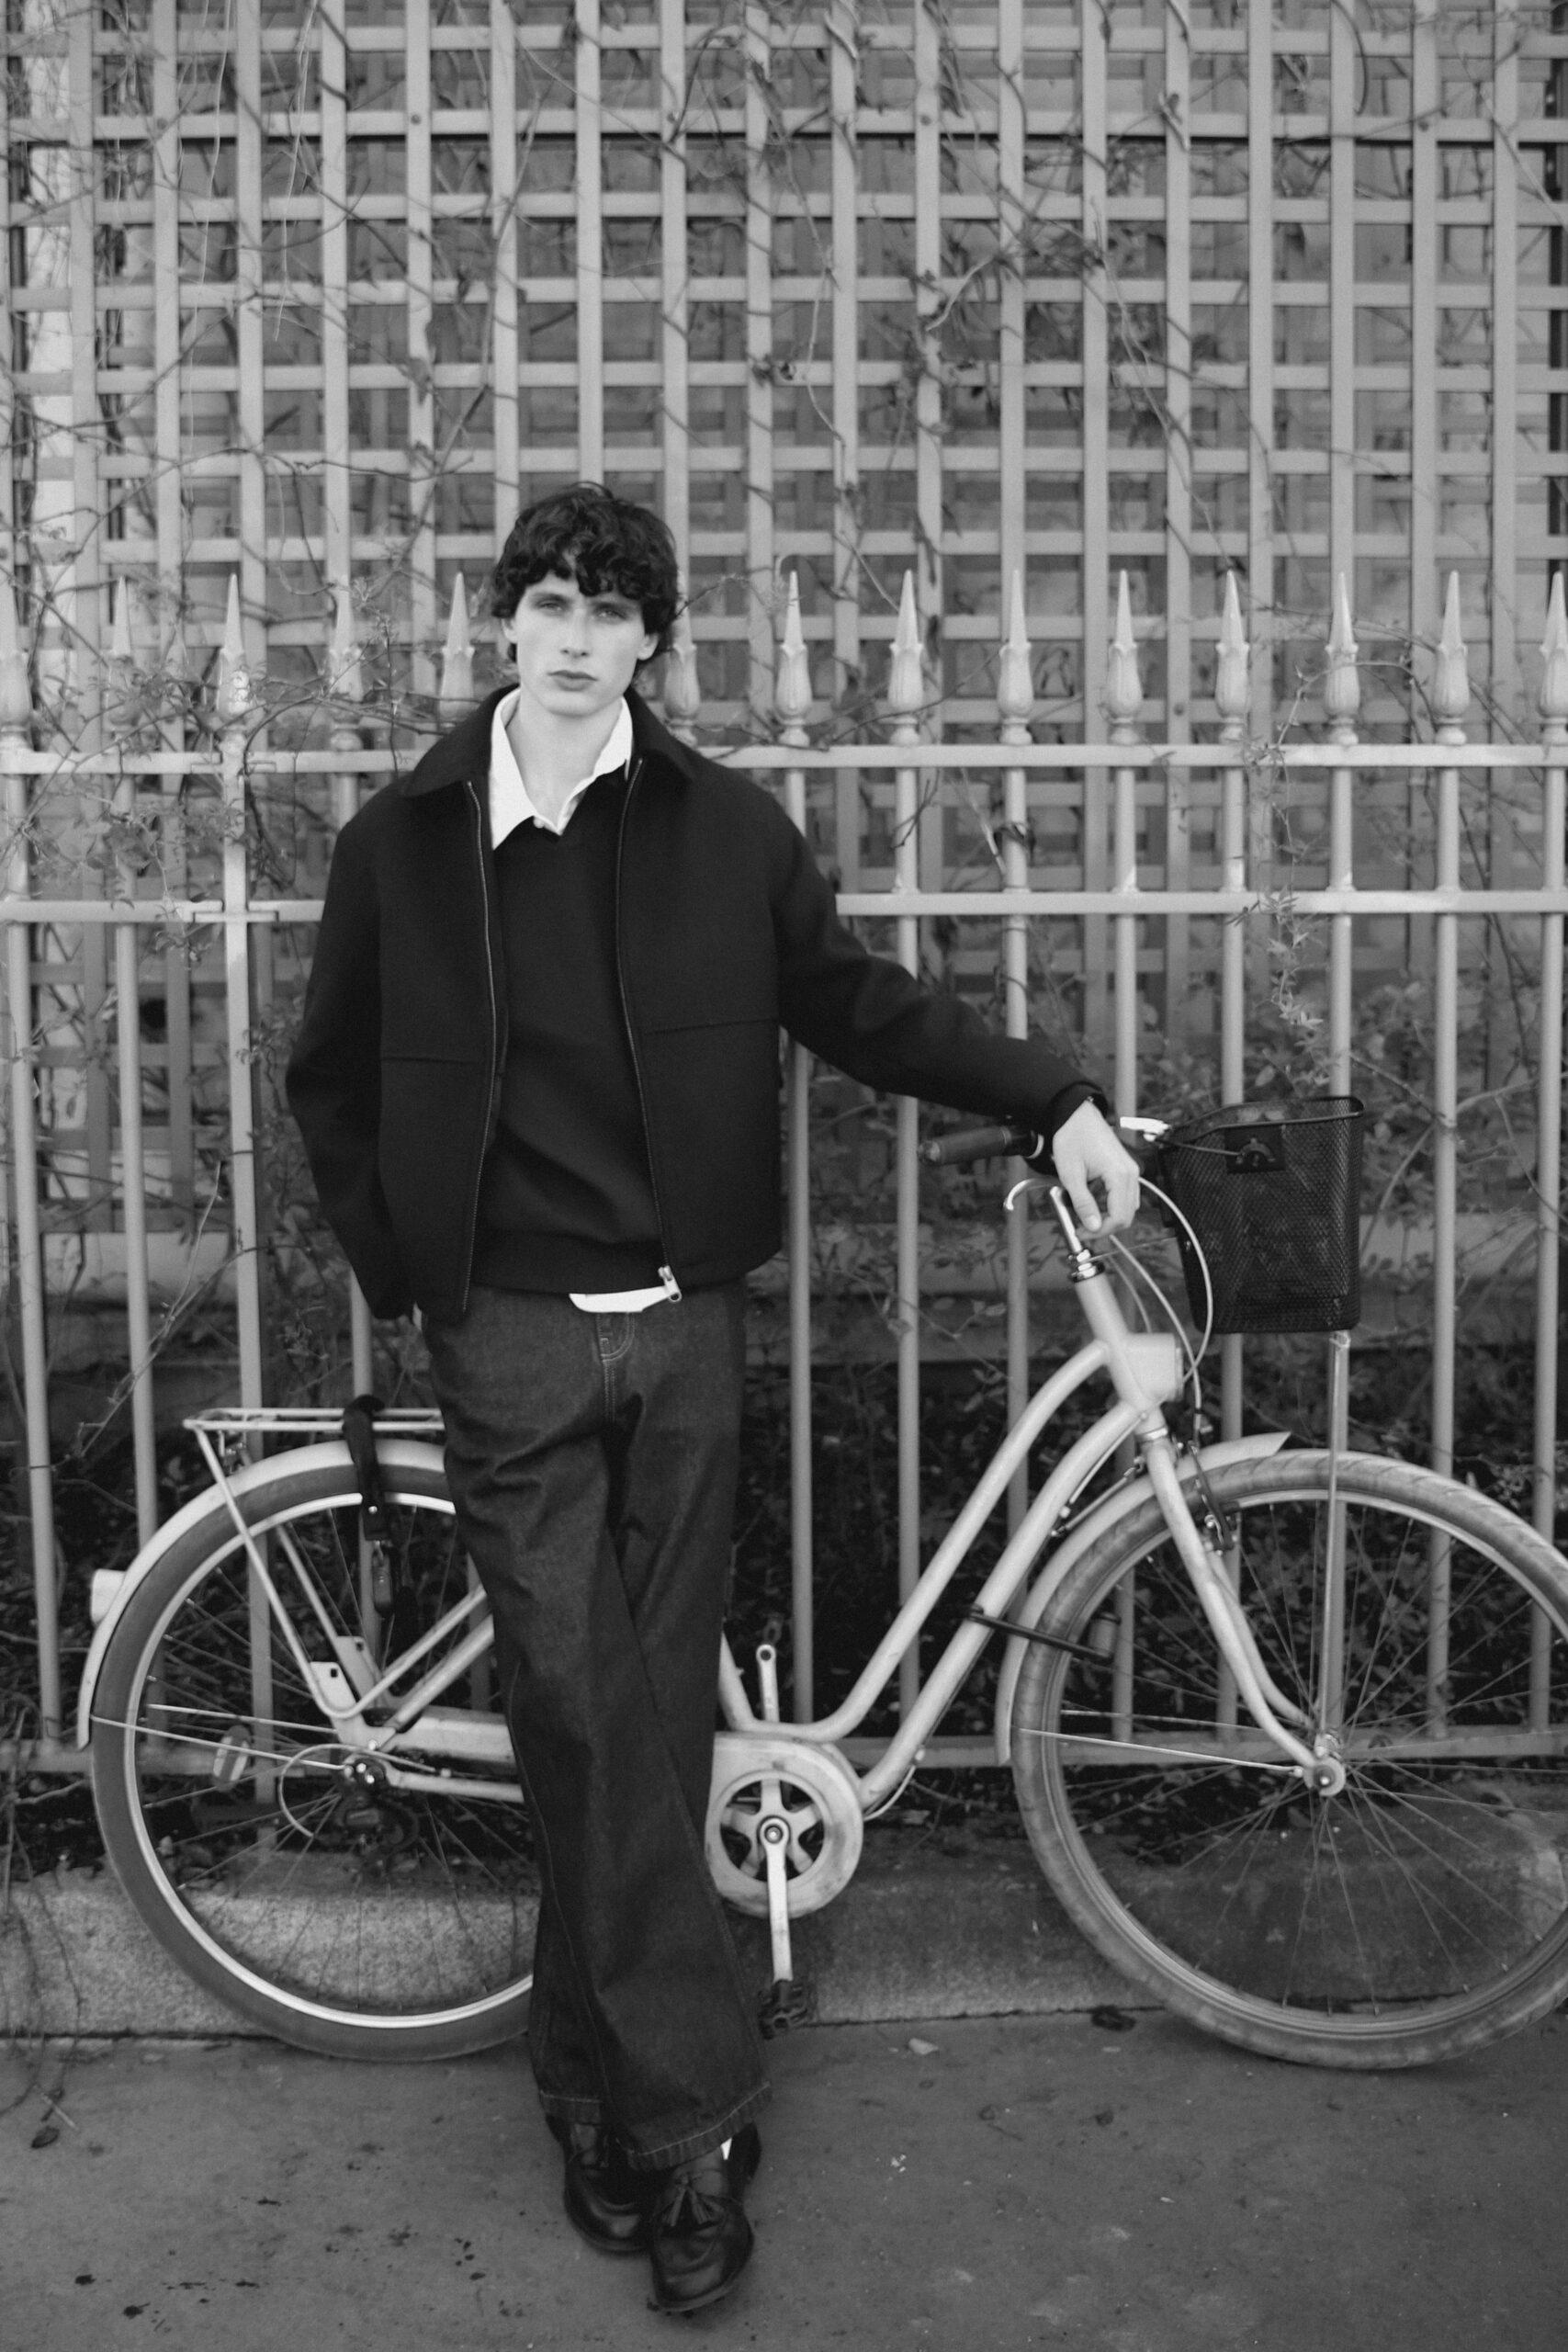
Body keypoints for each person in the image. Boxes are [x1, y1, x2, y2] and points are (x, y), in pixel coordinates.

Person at [287, 483, 1139, 2315]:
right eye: (548, 601)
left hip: (683, 1327)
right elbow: (329, 1074)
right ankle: (689, 2129)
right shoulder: (403, 844)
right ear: (503, 621)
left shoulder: (723, 832)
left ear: (651, 642)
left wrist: (1050, 1092)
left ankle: (584, 2085)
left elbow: (859, 1004)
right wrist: (411, 1270)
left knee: (648, 1720)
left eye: (611, 610)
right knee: (584, 1701)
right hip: (508, 1331)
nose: (575, 635)